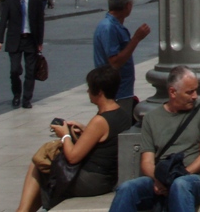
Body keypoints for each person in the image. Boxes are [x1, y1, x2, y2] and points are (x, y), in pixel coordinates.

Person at [16, 65, 132, 211]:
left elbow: (73, 157)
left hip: (92, 180)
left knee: (39, 164)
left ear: (99, 92)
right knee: (44, 168)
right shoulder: (121, 113)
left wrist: (64, 134)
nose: (88, 91)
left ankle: (22, 210)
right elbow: (106, 140)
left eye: (90, 88)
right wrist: (85, 130)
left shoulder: (100, 121)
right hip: (106, 178)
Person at [108, 65, 200, 212]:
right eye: (189, 92)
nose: (195, 96)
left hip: (192, 177)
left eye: (195, 90)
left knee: (180, 185)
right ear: (173, 92)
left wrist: (180, 176)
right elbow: (147, 161)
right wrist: (158, 181)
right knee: (126, 188)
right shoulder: (151, 118)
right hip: (161, 178)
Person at [93, 0, 152, 115]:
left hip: (121, 90)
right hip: (116, 93)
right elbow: (115, 62)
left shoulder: (113, 26)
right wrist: (136, 39)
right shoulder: (109, 27)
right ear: (127, 6)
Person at [0, 0, 45, 109]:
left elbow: (40, 22)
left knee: (30, 72)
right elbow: (3, 22)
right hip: (14, 39)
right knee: (14, 70)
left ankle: (26, 99)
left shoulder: (36, 1)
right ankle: (17, 94)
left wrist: (40, 41)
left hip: (30, 39)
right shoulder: (10, 2)